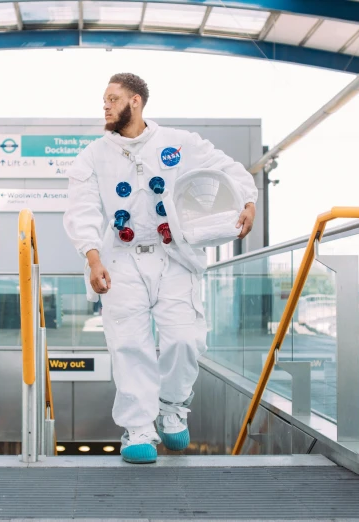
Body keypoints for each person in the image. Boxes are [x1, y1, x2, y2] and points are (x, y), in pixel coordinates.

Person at [63, 73, 258, 463]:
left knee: (185, 339)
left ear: (135, 102)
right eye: (104, 99)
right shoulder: (93, 155)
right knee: (128, 344)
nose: (105, 105)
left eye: (112, 98)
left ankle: (172, 407)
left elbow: (227, 168)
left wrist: (248, 201)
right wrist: (92, 256)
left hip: (175, 257)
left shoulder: (178, 143)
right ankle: (138, 429)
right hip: (120, 258)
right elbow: (81, 207)